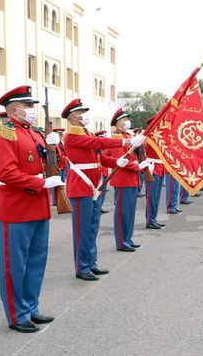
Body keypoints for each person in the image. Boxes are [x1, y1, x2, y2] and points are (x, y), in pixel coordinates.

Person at [0, 85, 64, 333]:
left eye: (34, 106)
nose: (33, 110)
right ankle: (17, 315)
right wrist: (41, 183)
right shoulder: (5, 134)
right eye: (28, 106)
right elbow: (8, 173)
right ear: (13, 110)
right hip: (16, 209)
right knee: (15, 266)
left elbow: (54, 163)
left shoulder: (34, 133)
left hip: (38, 207)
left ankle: (31, 307)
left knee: (35, 263)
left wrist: (56, 146)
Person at [62, 99, 146, 280]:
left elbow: (98, 158)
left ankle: (91, 263)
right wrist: (128, 141)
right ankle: (81, 267)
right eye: (82, 112)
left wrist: (115, 162)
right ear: (74, 117)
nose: (85, 115)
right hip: (81, 186)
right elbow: (98, 143)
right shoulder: (73, 136)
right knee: (82, 229)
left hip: (93, 186)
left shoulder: (85, 133)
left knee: (92, 228)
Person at [107, 109, 152, 252]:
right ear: (118, 122)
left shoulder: (129, 136)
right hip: (123, 179)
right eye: (124, 118)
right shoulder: (116, 138)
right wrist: (138, 167)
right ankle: (121, 241)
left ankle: (128, 238)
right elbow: (122, 160)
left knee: (130, 212)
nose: (127, 121)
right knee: (122, 213)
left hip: (132, 179)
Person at [144, 116, 166, 229]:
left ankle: (153, 218)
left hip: (159, 167)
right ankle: (150, 220)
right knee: (151, 196)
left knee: (156, 197)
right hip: (153, 167)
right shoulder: (150, 137)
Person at [93, 131, 110, 214]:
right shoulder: (98, 148)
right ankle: (98, 207)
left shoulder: (105, 148)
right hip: (100, 171)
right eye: (102, 137)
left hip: (105, 170)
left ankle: (100, 206)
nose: (104, 139)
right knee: (99, 190)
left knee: (103, 191)